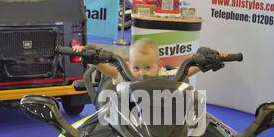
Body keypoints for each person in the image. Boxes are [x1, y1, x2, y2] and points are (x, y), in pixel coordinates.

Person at [73, 39, 224, 85]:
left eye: (147, 67)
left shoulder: (164, 75)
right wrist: (86, 55)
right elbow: (108, 69)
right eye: (136, 67)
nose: (142, 72)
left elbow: (186, 69)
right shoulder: (125, 76)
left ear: (159, 66)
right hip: (129, 120)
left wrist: (208, 61)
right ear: (127, 65)